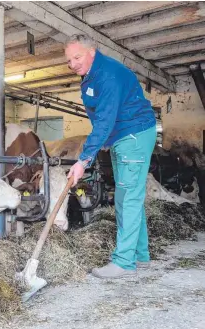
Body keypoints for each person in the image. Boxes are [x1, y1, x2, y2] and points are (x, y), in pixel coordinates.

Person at [65, 34, 157, 279]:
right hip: (121, 137)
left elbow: (104, 120)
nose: (73, 63)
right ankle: (140, 256)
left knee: (128, 199)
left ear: (92, 52)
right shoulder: (89, 76)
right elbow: (101, 118)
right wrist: (105, 142)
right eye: (69, 60)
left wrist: (83, 160)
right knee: (127, 197)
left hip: (134, 134)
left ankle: (124, 262)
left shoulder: (108, 74)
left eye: (77, 57)